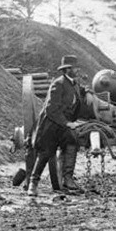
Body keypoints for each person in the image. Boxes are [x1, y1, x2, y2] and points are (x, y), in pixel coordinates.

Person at [23, 55, 87, 194]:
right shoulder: (58, 84)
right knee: (46, 153)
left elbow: (75, 100)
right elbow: (51, 109)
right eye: (75, 68)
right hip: (50, 125)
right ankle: (33, 184)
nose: (77, 70)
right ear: (67, 69)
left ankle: (68, 178)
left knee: (72, 141)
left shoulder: (73, 84)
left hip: (63, 125)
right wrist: (67, 123)